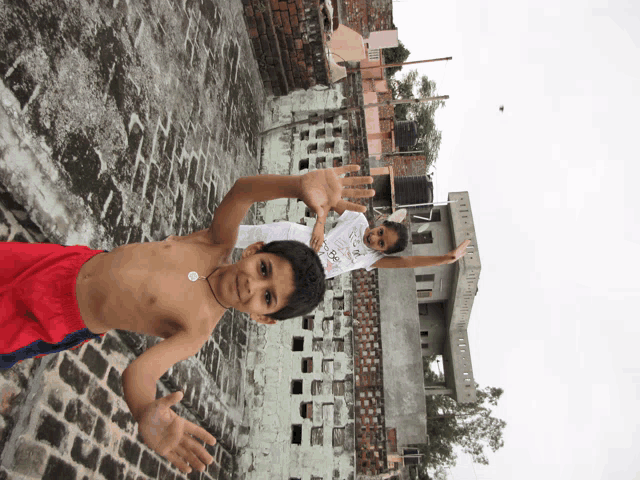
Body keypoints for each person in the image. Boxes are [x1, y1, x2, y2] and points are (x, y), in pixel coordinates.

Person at [1, 165, 374, 474]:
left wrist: (146, 409)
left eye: (266, 296)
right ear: (255, 249)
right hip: (65, 263)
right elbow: (242, 191)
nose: (251, 284)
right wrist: (296, 185)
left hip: (55, 319)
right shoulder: (213, 243)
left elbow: (140, 374)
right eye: (263, 269)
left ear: (263, 317)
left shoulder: (197, 330)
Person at [235, 206, 470, 279]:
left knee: (246, 270)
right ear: (380, 222)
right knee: (236, 238)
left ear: (382, 252)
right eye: (379, 232)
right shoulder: (356, 219)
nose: (374, 238)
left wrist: (445, 258)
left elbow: (408, 262)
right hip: (292, 237)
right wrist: (320, 223)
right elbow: (326, 201)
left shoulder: (371, 260)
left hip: (294, 269)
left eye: (380, 243)